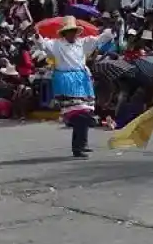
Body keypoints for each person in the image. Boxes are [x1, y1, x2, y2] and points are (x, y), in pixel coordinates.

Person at [33, 16, 113, 158]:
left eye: (74, 31)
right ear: (64, 32)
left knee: (85, 111)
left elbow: (101, 39)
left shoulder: (83, 43)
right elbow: (42, 45)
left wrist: (111, 27)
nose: (72, 34)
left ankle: (83, 143)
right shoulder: (56, 45)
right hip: (65, 80)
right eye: (69, 31)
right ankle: (78, 147)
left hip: (82, 80)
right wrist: (37, 35)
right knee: (79, 114)